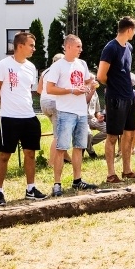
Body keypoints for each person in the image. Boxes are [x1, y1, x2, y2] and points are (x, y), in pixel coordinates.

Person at [0, 32, 48, 206]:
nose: (34, 48)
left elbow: (27, 91)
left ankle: (31, 189)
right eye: (31, 45)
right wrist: (5, 106)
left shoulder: (30, 67)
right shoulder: (3, 65)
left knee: (30, 154)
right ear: (20, 46)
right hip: (9, 118)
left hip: (29, 116)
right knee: (4, 155)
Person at [44, 34, 98, 196]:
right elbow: (50, 89)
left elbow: (87, 81)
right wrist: (71, 90)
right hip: (65, 112)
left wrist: (90, 84)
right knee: (61, 148)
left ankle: (77, 180)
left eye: (81, 46)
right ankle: (57, 184)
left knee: (79, 147)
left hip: (81, 112)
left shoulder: (82, 64)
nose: (81, 49)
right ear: (67, 47)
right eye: (78, 46)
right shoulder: (58, 66)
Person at [98, 16, 135, 183]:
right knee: (112, 136)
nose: (134, 33)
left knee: (129, 134)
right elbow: (101, 76)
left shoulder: (128, 47)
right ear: (129, 30)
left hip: (129, 97)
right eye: (134, 30)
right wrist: (115, 85)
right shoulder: (111, 47)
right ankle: (111, 174)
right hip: (115, 98)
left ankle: (127, 170)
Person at [38, 53, 67, 167]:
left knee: (57, 129)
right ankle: (51, 163)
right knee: (58, 135)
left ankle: (66, 157)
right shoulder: (60, 71)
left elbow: (39, 90)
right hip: (55, 103)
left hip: (43, 103)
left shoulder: (44, 72)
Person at [86, 76, 106, 158]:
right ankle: (91, 152)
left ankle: (88, 144)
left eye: (94, 80)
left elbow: (97, 110)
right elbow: (84, 102)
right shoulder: (81, 91)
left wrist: (99, 116)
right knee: (89, 134)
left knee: (109, 130)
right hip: (82, 118)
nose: (94, 82)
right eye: (92, 80)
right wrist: (91, 91)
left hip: (92, 118)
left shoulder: (95, 93)